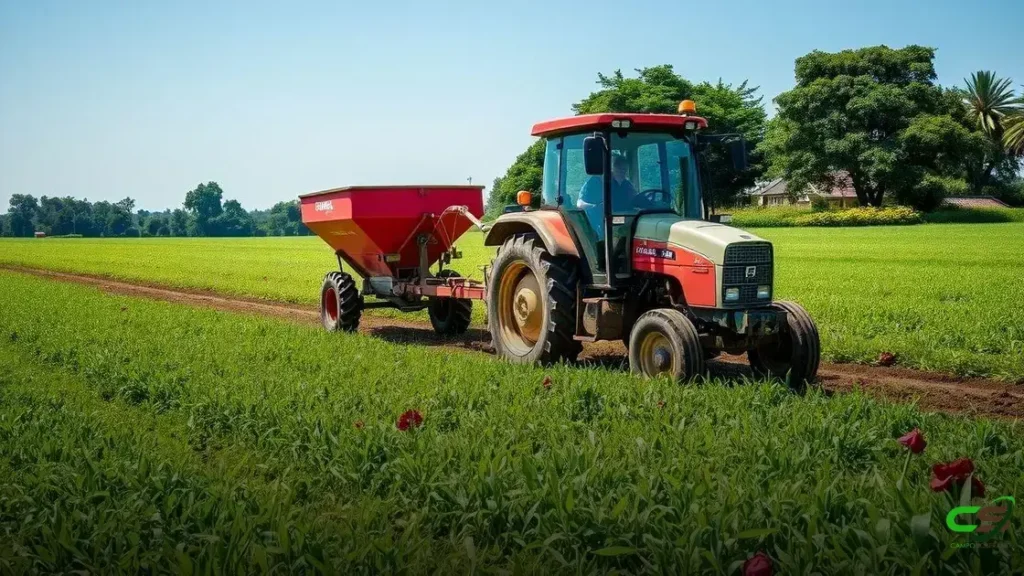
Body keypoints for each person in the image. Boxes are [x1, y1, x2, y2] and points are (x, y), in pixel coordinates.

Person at [577, 154, 641, 237]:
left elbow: (636, 199)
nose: (622, 172)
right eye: (619, 168)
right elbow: (580, 203)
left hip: (623, 219)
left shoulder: (628, 185)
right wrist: (595, 206)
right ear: (611, 168)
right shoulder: (595, 183)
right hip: (600, 222)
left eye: (624, 170)